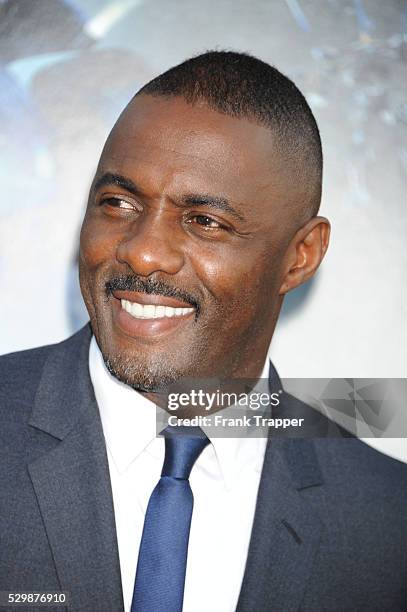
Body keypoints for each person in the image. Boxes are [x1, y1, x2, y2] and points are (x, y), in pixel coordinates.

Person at [0, 51, 406, 612]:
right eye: (118, 202)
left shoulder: (387, 522)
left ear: (300, 256)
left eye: (204, 221)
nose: (142, 251)